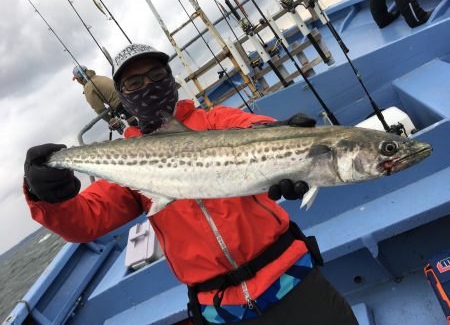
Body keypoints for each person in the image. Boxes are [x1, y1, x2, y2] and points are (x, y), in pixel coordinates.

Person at [24, 43, 358, 325]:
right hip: (223, 310)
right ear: (123, 97)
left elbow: (256, 129)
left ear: (171, 81)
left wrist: (286, 135)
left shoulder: (215, 121)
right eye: (134, 83)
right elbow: (85, 220)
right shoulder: (130, 160)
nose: (149, 86)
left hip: (292, 282)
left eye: (157, 76)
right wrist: (44, 193)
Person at [72, 65, 137, 131]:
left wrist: (110, 120)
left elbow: (99, 109)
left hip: (122, 107)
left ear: (79, 78)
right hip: (129, 98)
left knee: (137, 129)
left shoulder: (88, 87)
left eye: (76, 79)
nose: (77, 81)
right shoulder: (99, 77)